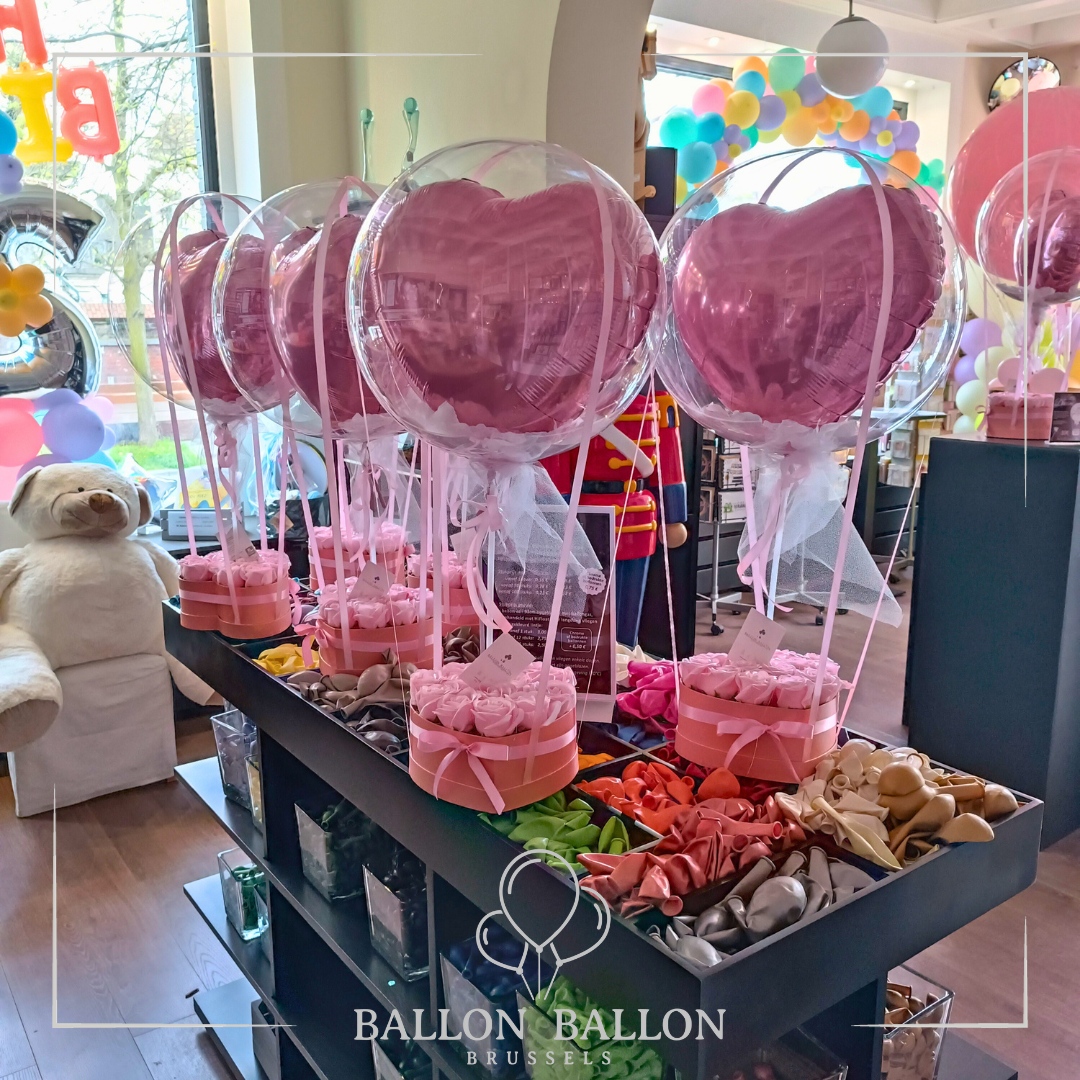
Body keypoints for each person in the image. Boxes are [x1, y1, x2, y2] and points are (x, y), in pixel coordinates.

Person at [541, 389, 687, 646]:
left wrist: (673, 515)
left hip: (638, 516)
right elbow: (559, 461)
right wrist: (555, 517)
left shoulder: (660, 402)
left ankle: (625, 655)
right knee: (584, 604)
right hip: (586, 518)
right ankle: (590, 661)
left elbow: (669, 461)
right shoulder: (571, 403)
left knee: (629, 606)